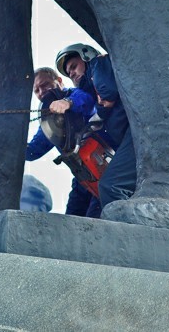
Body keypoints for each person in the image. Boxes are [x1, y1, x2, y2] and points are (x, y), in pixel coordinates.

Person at [55, 44, 137, 209]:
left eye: (73, 66)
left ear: (86, 57)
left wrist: (96, 116)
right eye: (69, 73)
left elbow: (107, 93)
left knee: (111, 186)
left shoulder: (98, 64)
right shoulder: (91, 90)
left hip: (136, 136)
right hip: (131, 139)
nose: (71, 73)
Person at [26, 67, 101, 217]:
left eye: (45, 85)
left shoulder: (74, 94)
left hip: (102, 171)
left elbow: (87, 100)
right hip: (82, 180)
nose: (42, 92)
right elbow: (32, 151)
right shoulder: (48, 124)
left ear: (59, 81)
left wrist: (67, 102)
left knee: (95, 218)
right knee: (72, 219)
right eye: (37, 90)